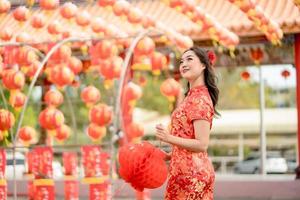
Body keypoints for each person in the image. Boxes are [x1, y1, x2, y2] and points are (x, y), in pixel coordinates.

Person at [155, 46, 219, 200]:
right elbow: (189, 140)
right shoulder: (190, 97)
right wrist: (170, 155)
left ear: (203, 65)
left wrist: (167, 138)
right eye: (181, 61)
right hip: (183, 173)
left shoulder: (200, 99)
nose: (183, 64)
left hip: (192, 176)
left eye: (189, 59)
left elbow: (202, 144)